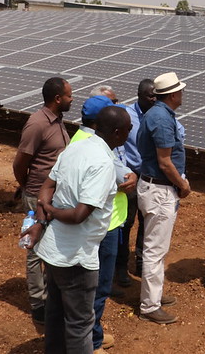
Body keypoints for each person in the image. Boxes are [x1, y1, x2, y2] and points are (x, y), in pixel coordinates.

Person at [24, 106, 132, 353]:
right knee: (80, 325)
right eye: (129, 128)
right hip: (77, 257)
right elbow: (78, 215)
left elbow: (47, 187)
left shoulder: (75, 148)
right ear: (117, 133)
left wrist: (42, 217)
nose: (130, 132)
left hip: (53, 250)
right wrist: (51, 212)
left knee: (55, 315)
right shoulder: (103, 163)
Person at [69, 96, 137, 352]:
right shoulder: (96, 148)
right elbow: (120, 176)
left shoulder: (80, 140)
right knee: (95, 288)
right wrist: (130, 176)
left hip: (104, 222)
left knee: (91, 287)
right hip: (101, 226)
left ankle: (91, 334)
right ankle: (92, 342)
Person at [12, 77, 72, 325]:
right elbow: (20, 162)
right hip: (38, 196)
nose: (72, 99)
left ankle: (51, 296)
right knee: (35, 250)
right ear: (57, 98)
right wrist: (29, 188)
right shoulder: (37, 123)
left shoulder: (57, 121)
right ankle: (38, 303)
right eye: (69, 95)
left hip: (53, 196)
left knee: (51, 247)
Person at [136, 72, 190, 325]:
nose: (182, 94)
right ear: (172, 95)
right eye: (180, 90)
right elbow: (165, 162)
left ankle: (153, 295)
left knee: (156, 247)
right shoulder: (161, 119)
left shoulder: (156, 114)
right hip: (159, 191)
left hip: (154, 188)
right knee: (155, 250)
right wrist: (182, 185)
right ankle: (149, 306)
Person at [116, 79, 156, 286]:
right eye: (150, 96)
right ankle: (120, 268)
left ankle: (141, 263)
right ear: (139, 96)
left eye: (156, 95)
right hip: (131, 176)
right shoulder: (126, 115)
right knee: (126, 222)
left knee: (146, 220)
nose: (154, 99)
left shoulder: (157, 115)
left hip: (150, 176)